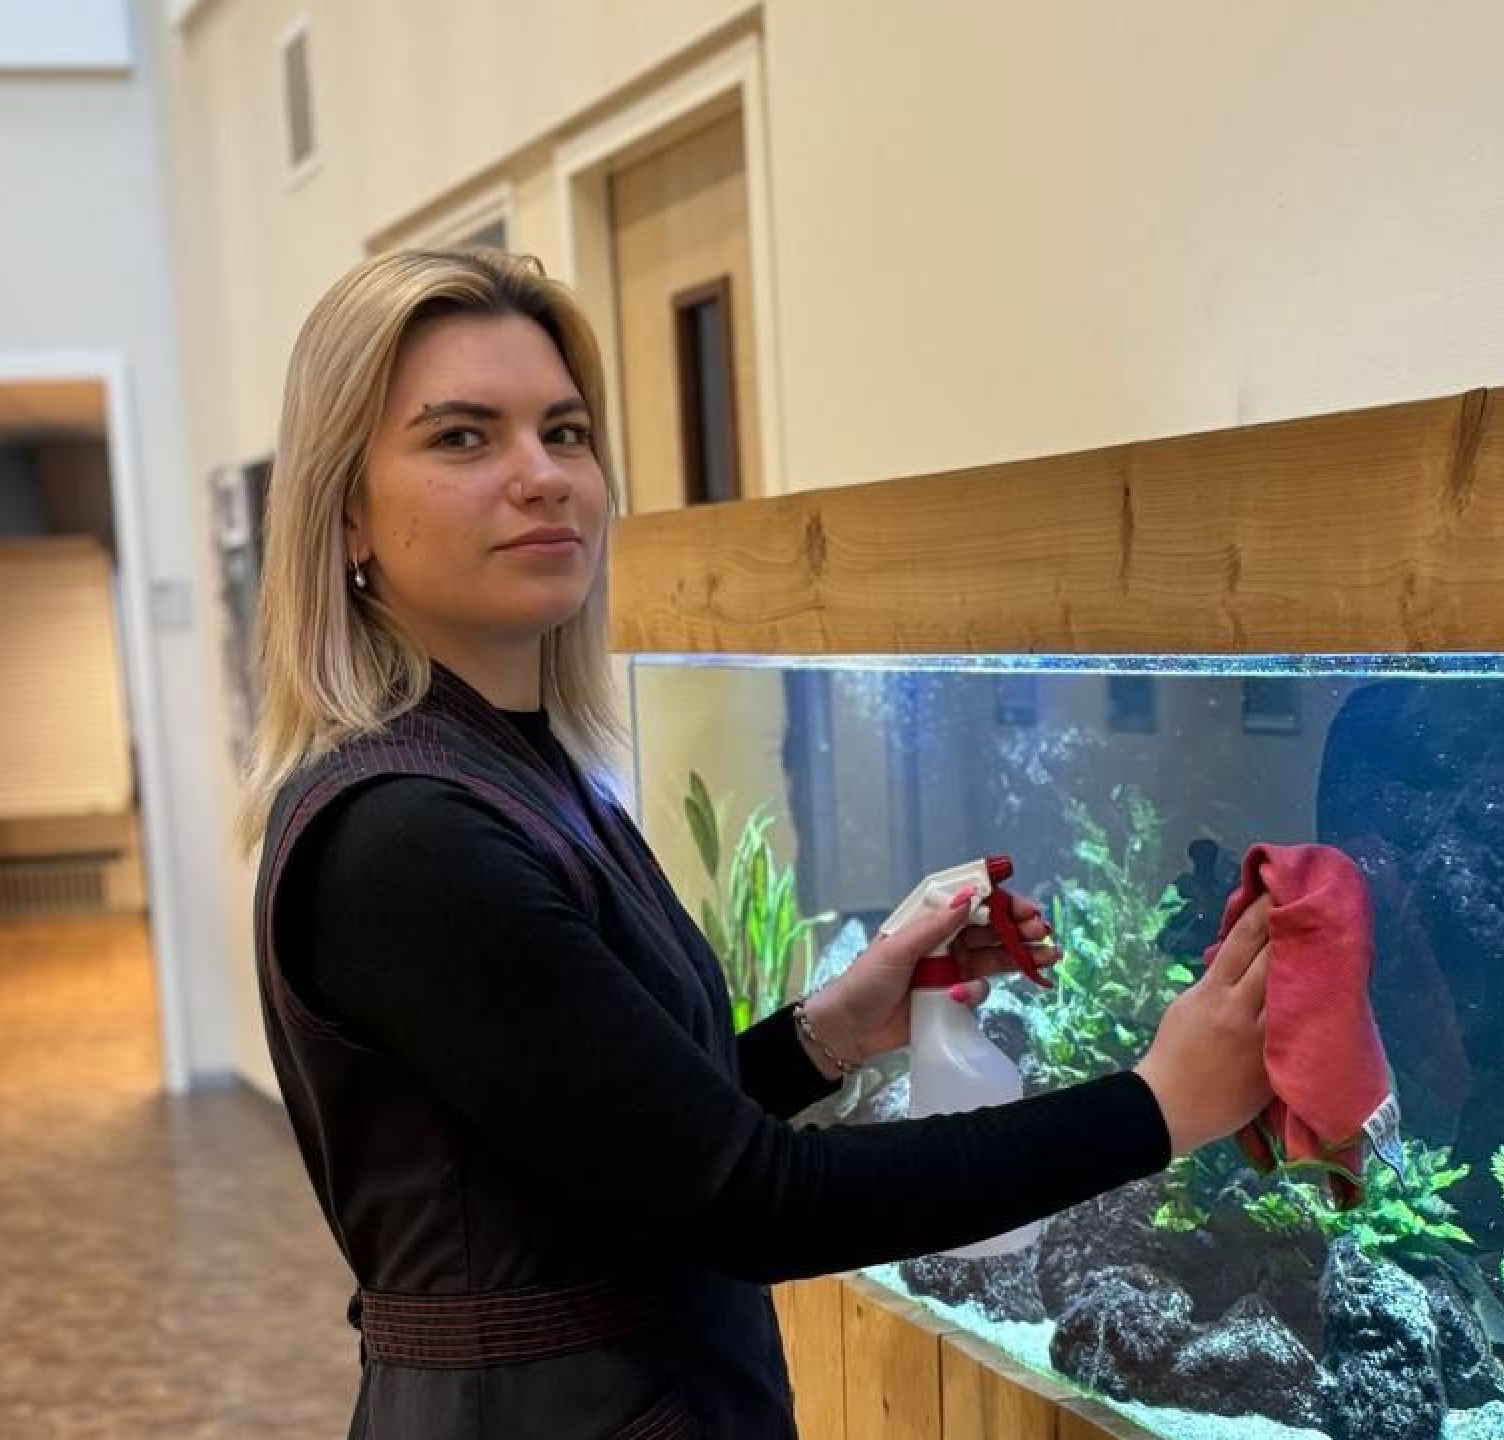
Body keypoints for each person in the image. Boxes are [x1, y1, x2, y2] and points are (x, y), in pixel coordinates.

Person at [241, 247, 1277, 1439]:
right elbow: (750, 1203)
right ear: (349, 510)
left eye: (566, 433)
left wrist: (831, 1031)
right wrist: (1157, 1106)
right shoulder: (408, 836)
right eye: (464, 438)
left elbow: (617, 1133)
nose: (543, 477)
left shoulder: (516, 771)